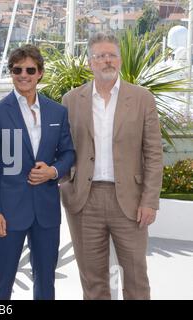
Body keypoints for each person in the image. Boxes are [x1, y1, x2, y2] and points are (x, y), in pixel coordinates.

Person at [60, 33, 163, 300]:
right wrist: (65, 184)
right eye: (100, 56)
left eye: (112, 55)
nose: (107, 60)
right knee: (93, 282)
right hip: (85, 201)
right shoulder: (71, 100)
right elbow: (62, 149)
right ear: (90, 63)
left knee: (136, 278)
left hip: (130, 201)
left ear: (119, 59)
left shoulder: (142, 98)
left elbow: (153, 153)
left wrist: (150, 200)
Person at [0, 45, 75, 300]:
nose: (24, 75)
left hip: (46, 211)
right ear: (11, 72)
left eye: (30, 70)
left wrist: (53, 171)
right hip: (8, 213)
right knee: (2, 283)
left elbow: (68, 153)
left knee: (46, 283)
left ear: (40, 73)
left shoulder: (58, 112)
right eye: (17, 69)